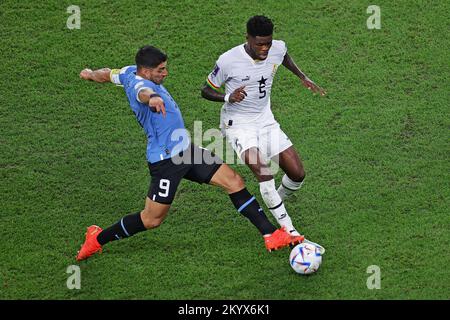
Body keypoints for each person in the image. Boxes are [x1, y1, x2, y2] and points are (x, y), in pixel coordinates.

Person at [76, 45, 304, 261]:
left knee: (234, 181)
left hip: (186, 150)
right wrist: (153, 98)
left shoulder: (127, 72)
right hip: (166, 160)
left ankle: (270, 234)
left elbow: (107, 74)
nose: (166, 73)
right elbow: (142, 93)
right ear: (145, 71)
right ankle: (96, 239)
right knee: (151, 219)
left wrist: (89, 74)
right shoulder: (139, 85)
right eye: (160, 70)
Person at [201, 15, 326, 253]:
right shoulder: (228, 60)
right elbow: (205, 90)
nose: (265, 48)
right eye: (259, 44)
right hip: (238, 124)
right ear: (247, 39)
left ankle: (273, 201)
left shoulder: (276, 48)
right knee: (264, 172)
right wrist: (228, 97)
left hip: (265, 120)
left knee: (297, 174)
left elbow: (284, 57)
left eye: (268, 43)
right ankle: (291, 232)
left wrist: (302, 76)